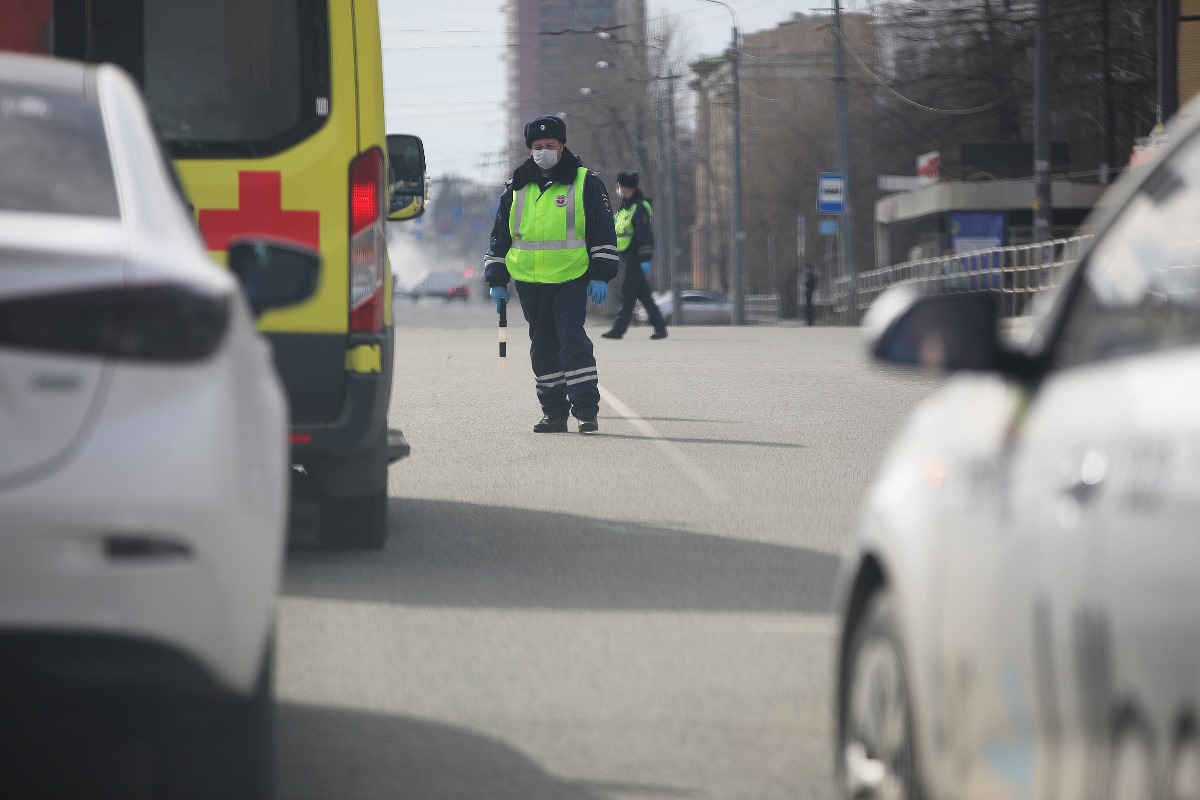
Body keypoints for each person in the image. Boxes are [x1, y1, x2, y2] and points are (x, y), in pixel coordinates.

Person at [483, 115, 619, 434]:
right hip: (529, 282)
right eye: (538, 146)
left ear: (562, 146)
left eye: (550, 146)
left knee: (571, 340)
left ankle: (586, 410)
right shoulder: (516, 186)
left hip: (571, 277)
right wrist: (496, 279)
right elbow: (500, 235)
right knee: (542, 346)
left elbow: (603, 231)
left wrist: (601, 273)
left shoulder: (586, 182)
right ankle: (554, 413)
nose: (544, 151)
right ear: (530, 149)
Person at [601, 170, 668, 340]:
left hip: (636, 256)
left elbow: (644, 234)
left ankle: (618, 329)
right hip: (626, 256)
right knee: (644, 295)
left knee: (628, 293)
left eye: (619, 185)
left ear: (624, 186)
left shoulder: (639, 208)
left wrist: (645, 258)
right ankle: (660, 327)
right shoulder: (625, 207)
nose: (618, 188)